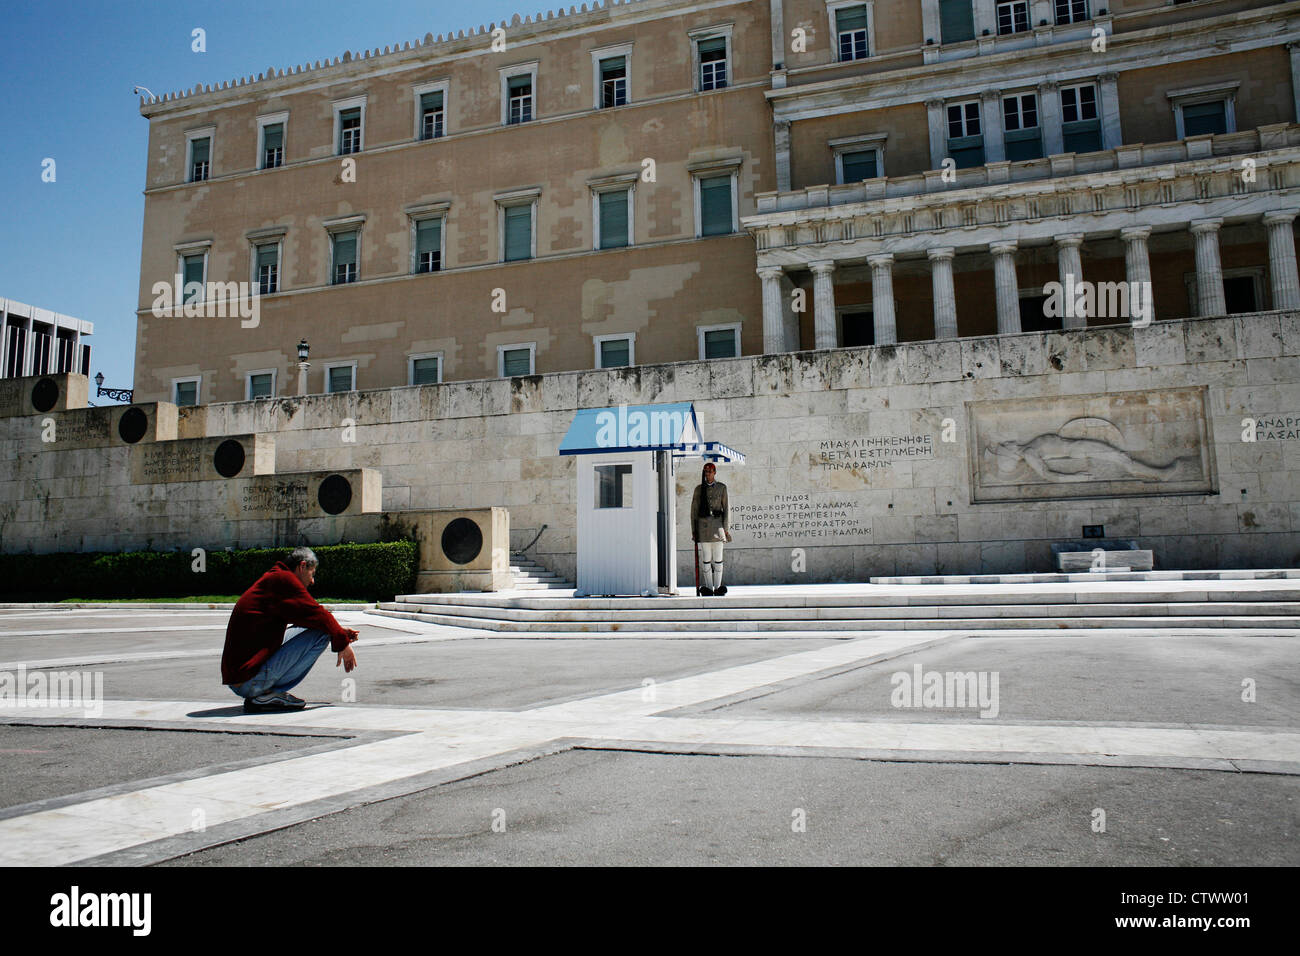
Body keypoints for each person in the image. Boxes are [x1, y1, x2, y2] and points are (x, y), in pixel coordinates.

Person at [221, 546, 358, 712]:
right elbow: (319, 615)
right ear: (302, 566)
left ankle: (263, 692)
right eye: (312, 573)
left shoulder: (276, 577)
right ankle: (265, 693)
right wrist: (343, 644)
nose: (313, 581)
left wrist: (338, 632)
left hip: (242, 677)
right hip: (249, 682)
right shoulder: (284, 581)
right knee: (323, 632)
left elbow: (310, 618)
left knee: (325, 628)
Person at [690, 462, 732, 596]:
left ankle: (717, 587)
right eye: (706, 472)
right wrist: (694, 530)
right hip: (703, 528)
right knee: (706, 558)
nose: (707, 474)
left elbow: (727, 509)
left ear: (715, 472)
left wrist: (726, 529)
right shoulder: (698, 489)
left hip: (718, 526)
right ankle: (708, 587)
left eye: (710, 471)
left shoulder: (721, 488)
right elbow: (694, 511)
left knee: (718, 558)